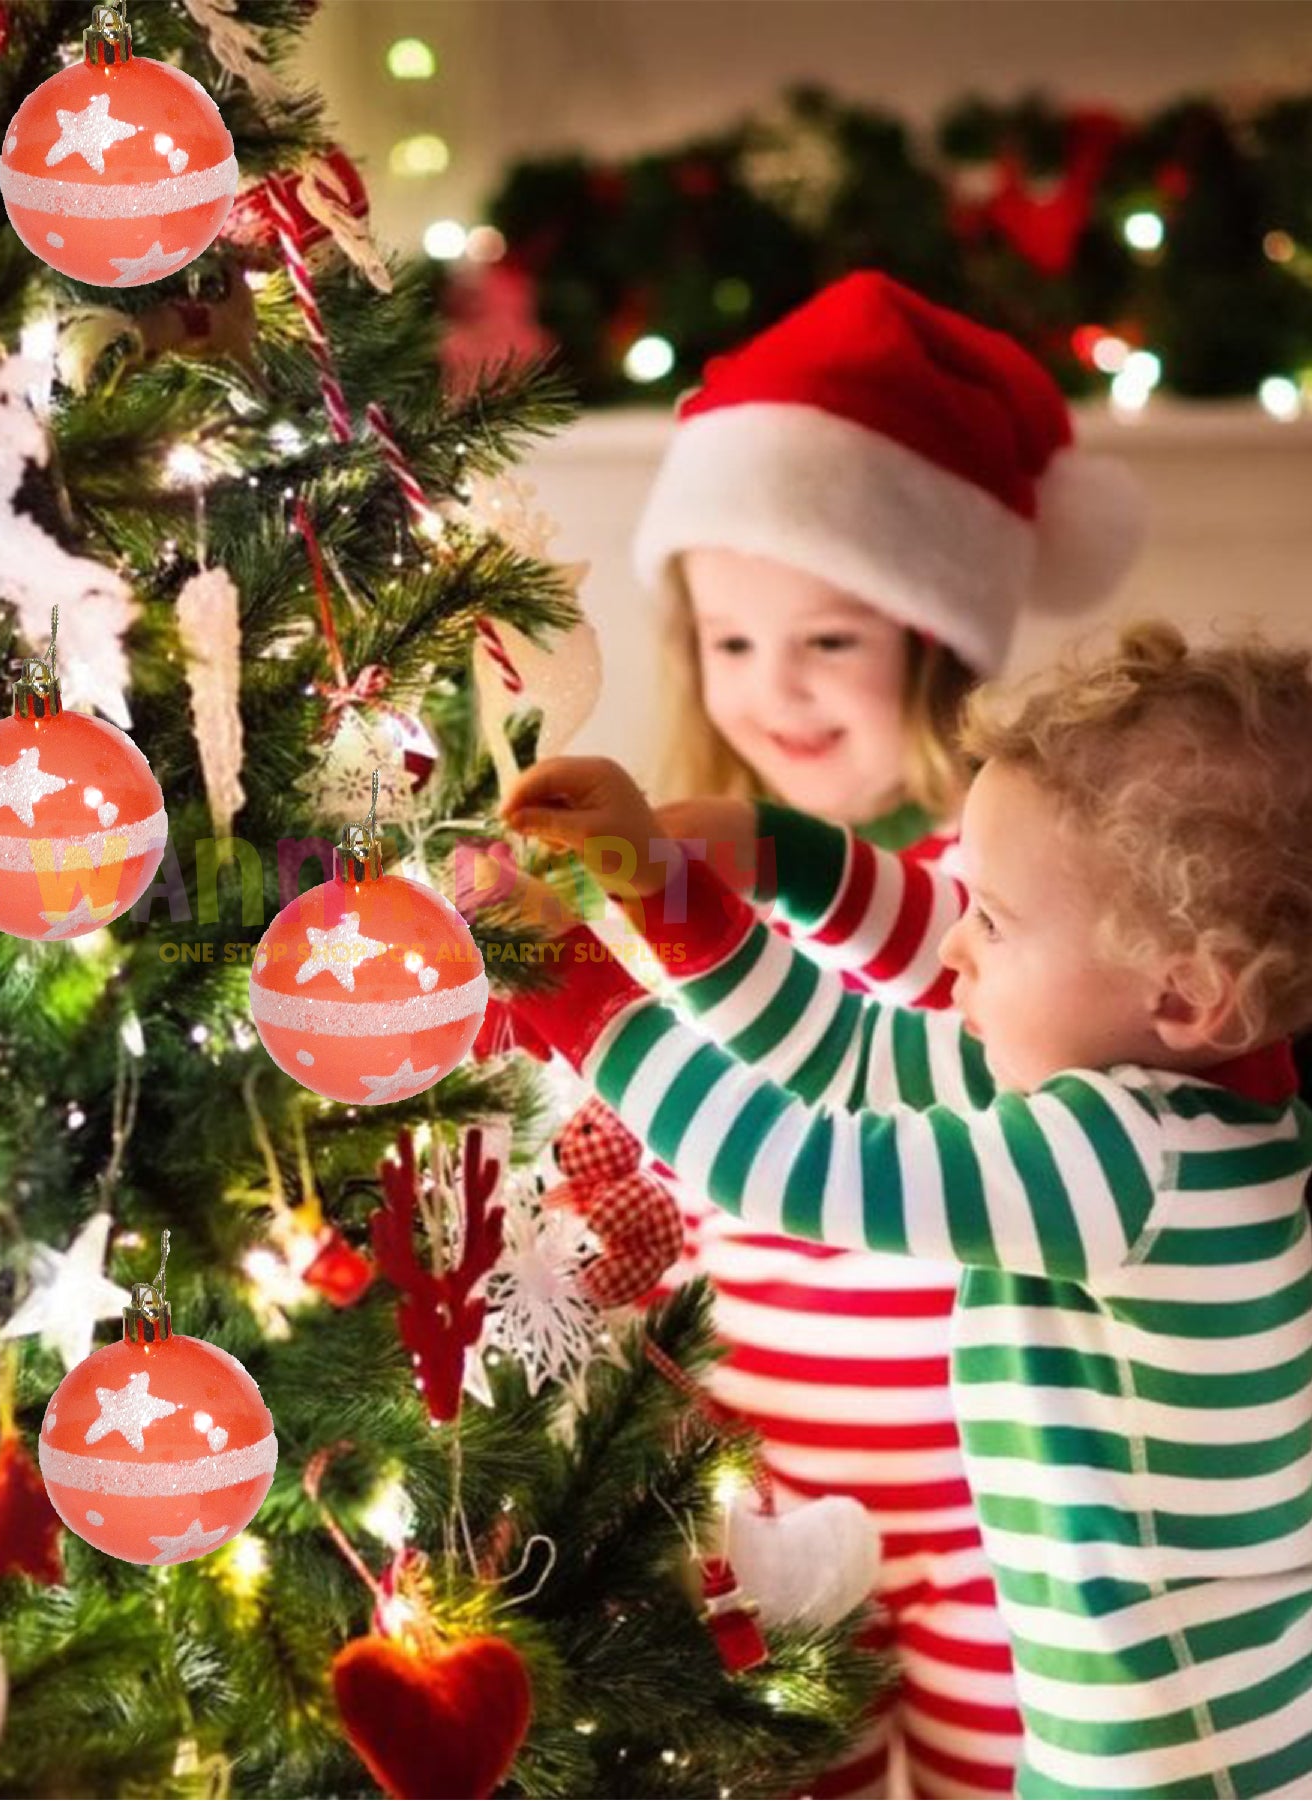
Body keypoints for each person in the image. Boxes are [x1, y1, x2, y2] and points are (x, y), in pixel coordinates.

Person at [497, 620, 1312, 1799]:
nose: (955, 951)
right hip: (1176, 1742)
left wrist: (576, 985)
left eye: (993, 920)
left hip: (1168, 1772)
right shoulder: (1180, 1104)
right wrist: (665, 881)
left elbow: (789, 1159)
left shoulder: (1123, 1164)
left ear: (1185, 994)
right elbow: (847, 1053)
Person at [618, 269, 1145, 1798]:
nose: (770, 689)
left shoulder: (1007, 883)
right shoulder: (684, 891)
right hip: (771, 1473)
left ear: (931, 641)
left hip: (1000, 1488)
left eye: (828, 643)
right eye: (730, 644)